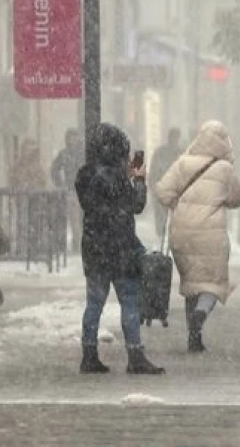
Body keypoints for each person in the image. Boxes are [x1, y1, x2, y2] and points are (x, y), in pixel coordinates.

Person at [76, 122, 164, 375]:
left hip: (94, 248)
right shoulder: (116, 178)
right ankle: (135, 355)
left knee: (94, 303)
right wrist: (138, 181)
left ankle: (89, 353)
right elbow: (136, 205)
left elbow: (96, 206)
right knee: (129, 301)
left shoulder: (85, 176)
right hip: (120, 248)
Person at [155, 121, 240, 353]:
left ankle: (193, 338)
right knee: (213, 284)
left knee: (191, 284)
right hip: (211, 233)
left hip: (182, 232)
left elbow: (163, 192)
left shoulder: (183, 163)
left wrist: (181, 203)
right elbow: (237, 198)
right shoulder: (225, 169)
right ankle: (200, 315)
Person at [52, 128, 85, 252]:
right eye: (71, 137)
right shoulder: (64, 154)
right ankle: (77, 243)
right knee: (74, 219)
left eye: (75, 137)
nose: (74, 140)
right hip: (72, 191)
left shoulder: (83, 154)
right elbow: (54, 170)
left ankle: (82, 243)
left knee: (82, 219)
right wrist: (61, 184)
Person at [148, 128, 183, 242]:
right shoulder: (180, 153)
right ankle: (165, 236)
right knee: (166, 218)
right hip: (170, 190)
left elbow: (153, 171)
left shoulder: (162, 152)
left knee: (164, 219)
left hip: (167, 189)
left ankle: (164, 236)